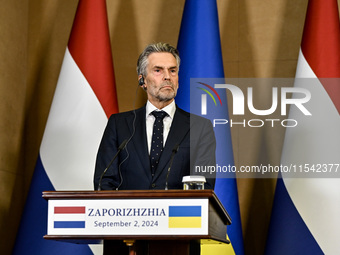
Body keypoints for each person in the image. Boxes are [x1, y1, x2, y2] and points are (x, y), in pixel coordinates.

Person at [94, 42, 216, 191]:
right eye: (158, 70)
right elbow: (104, 181)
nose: (167, 77)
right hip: (129, 213)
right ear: (142, 80)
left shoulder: (200, 127)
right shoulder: (119, 125)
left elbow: (204, 185)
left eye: (172, 71)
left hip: (179, 213)